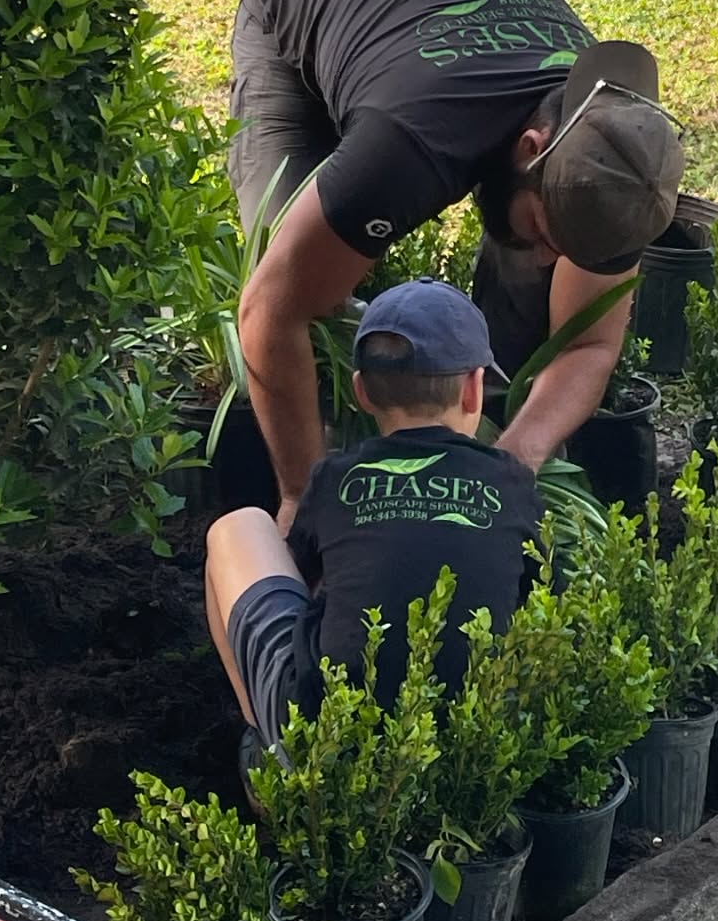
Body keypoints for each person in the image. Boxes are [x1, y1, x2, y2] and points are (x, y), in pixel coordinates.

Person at [231, 0, 686, 529]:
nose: (557, 257)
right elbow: (269, 311)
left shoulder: (619, 167)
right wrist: (303, 502)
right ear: (533, 149)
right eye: (548, 230)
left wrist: (513, 463)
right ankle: (334, 468)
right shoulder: (410, 144)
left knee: (529, 282)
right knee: (292, 265)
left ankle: (466, 446)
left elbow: (586, 342)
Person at [206, 277, 541, 750]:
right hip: (472, 732)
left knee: (238, 526)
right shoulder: (512, 481)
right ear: (473, 390)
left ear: (360, 391)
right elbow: (540, 596)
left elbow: (301, 580)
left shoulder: (335, 476)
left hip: (332, 731)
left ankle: (271, 744)